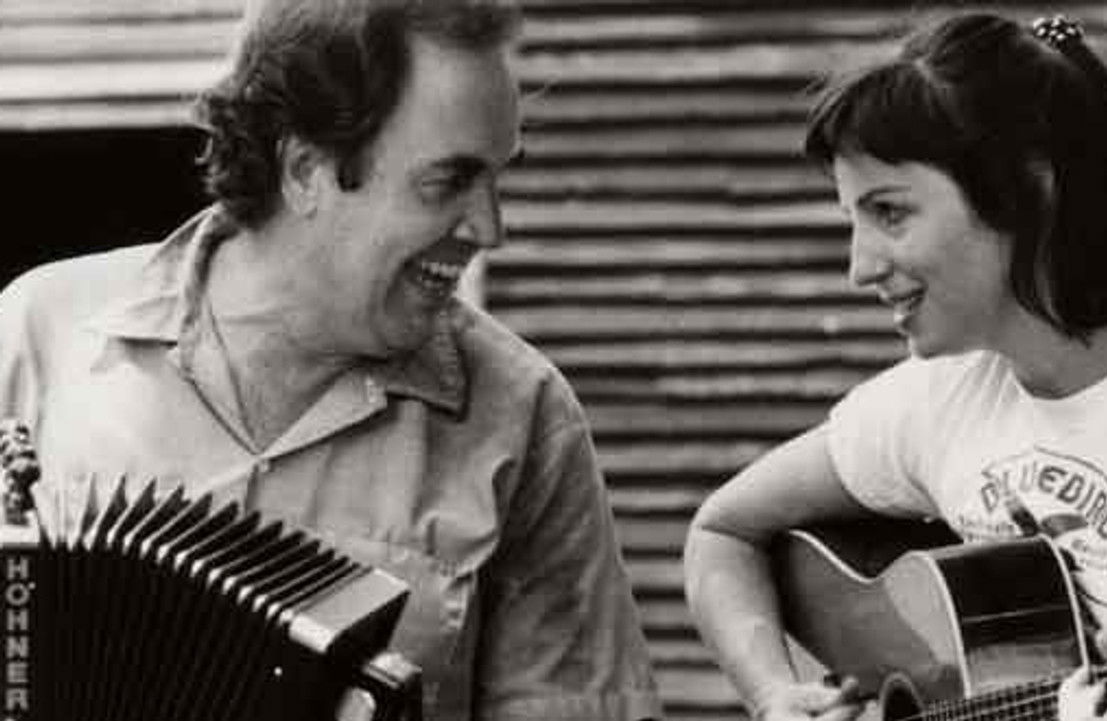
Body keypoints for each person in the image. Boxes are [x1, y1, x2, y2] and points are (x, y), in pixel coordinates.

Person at [0, 1, 664, 719]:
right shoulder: (36, 335)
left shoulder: (523, 416)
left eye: (497, 179)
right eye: (448, 181)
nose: (489, 227)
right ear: (305, 168)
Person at [683, 12, 1107, 721]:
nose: (859, 267)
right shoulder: (945, 399)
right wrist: (775, 694)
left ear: (1029, 191)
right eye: (853, 219)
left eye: (890, 212)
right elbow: (723, 534)